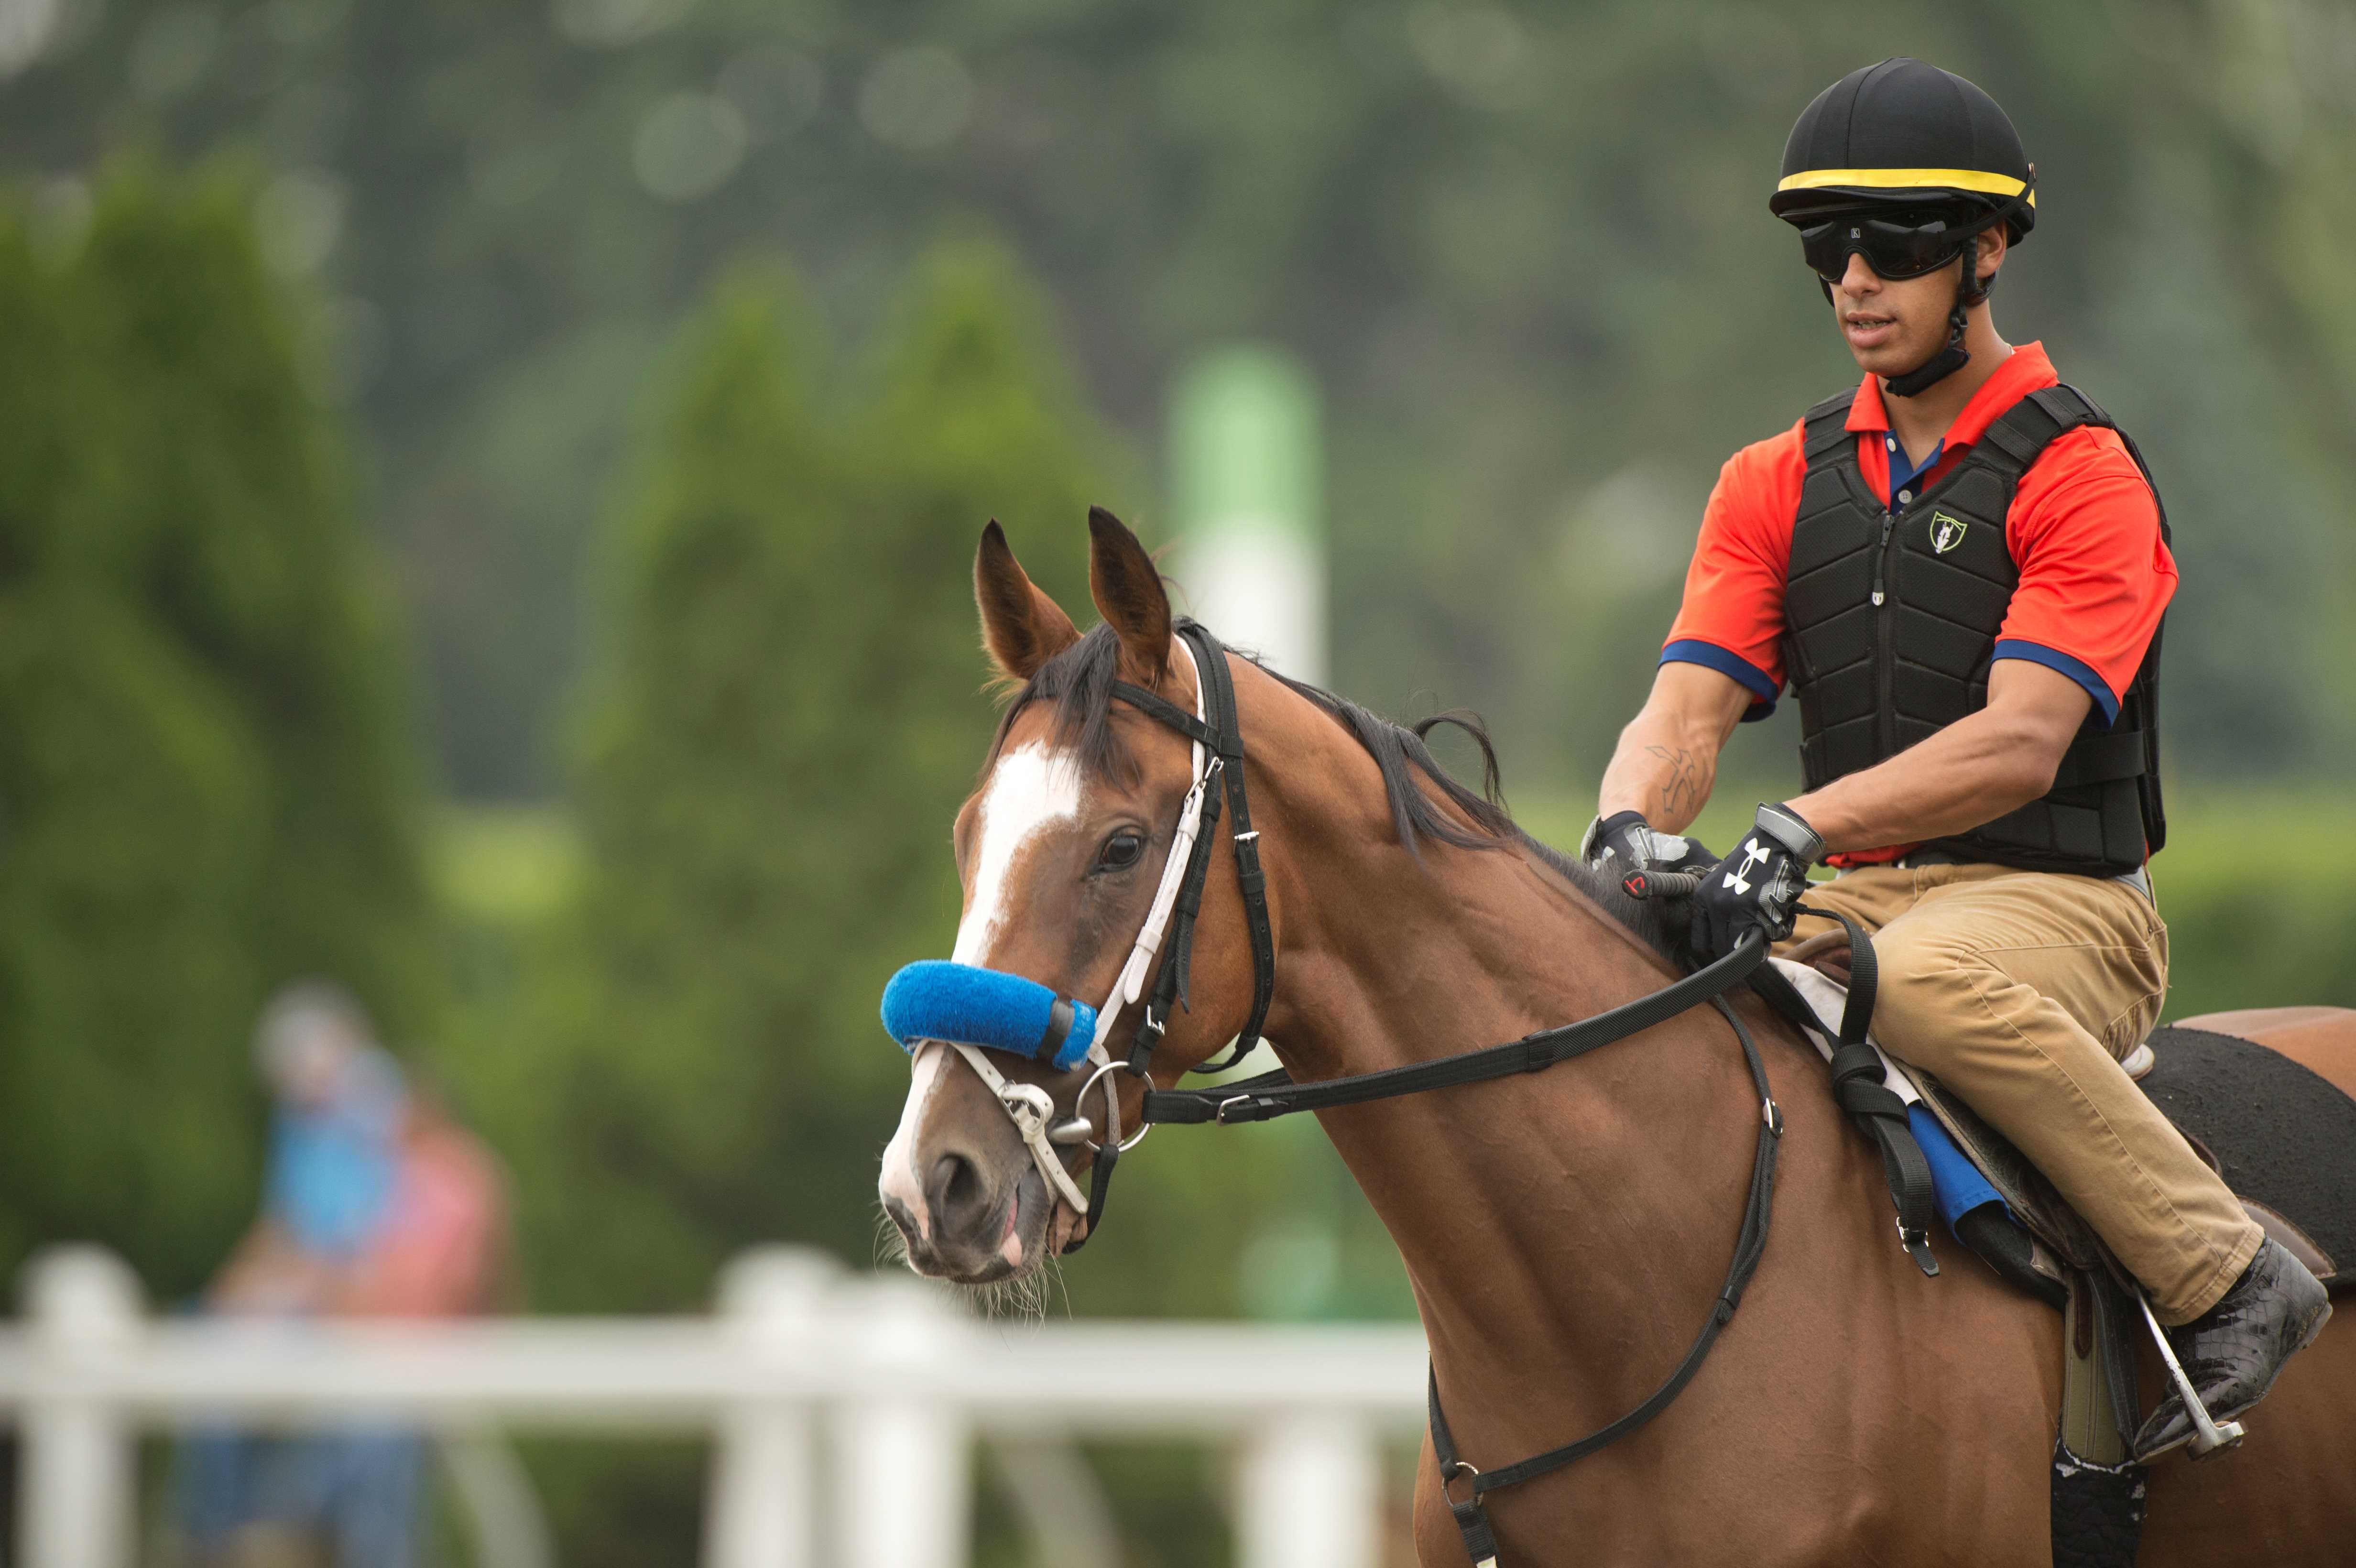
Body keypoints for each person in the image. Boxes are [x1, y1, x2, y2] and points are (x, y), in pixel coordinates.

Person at [1581, 57, 2327, 1461]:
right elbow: (1682, 713)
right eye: (1826, 246)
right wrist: (1623, 827)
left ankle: (2226, 1272)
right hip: (1849, 894)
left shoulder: (2081, 472)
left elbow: (2018, 741)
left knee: (1910, 981)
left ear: (1986, 252)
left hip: (2058, 908)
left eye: (1899, 244)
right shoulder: (1767, 482)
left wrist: (1794, 823)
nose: (1855, 277)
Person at [176, 981, 508, 1568]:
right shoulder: (332, 1129)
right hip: (360, 1327)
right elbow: (297, 1227)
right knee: (210, 1342)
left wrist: (327, 1290)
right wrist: (245, 1289)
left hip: (394, 1345)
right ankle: (224, 1528)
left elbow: (424, 1276)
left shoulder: (447, 1175)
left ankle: (247, 1527)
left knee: (363, 1456)